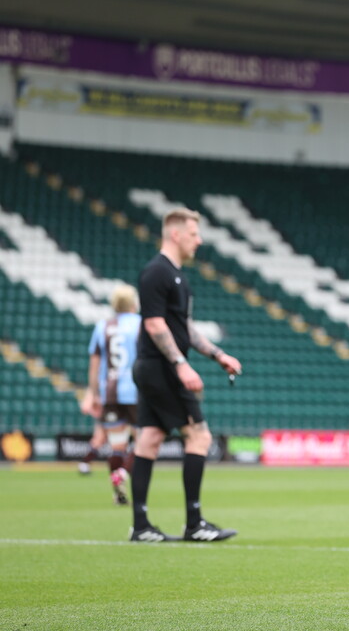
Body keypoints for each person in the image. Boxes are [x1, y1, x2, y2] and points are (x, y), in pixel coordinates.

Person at [129, 207, 242, 543]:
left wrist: (218, 354)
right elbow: (153, 323)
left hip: (156, 367)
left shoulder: (178, 276)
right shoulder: (156, 272)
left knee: (149, 440)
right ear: (175, 234)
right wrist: (181, 364)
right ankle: (194, 524)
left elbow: (184, 327)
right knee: (200, 437)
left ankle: (141, 527)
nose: (199, 240)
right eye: (194, 234)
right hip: (161, 368)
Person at [79, 283, 141, 504]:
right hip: (136, 392)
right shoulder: (140, 324)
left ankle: (118, 494)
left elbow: (94, 366)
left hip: (111, 394)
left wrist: (93, 394)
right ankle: (122, 474)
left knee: (117, 445)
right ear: (134, 303)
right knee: (143, 441)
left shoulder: (102, 326)